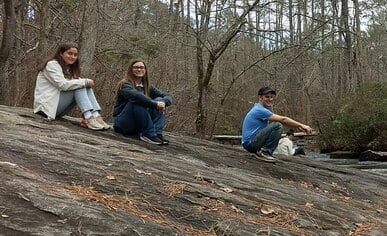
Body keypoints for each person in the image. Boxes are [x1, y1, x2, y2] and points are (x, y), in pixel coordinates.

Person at [33, 42, 110, 130]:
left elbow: (75, 83)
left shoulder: (68, 67)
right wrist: (85, 81)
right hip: (46, 108)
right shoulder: (51, 65)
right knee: (80, 85)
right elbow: (62, 85)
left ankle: (96, 116)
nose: (73, 57)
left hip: (56, 107)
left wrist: (85, 83)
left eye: (75, 55)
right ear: (61, 53)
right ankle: (88, 118)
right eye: (69, 53)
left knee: (83, 85)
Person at [241, 86, 312, 163]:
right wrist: (301, 125)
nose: (270, 99)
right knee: (277, 125)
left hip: (252, 143)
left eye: (271, 97)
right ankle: (266, 152)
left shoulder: (261, 109)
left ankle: (265, 152)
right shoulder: (259, 110)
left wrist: (298, 126)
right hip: (251, 143)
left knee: (276, 126)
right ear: (260, 98)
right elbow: (283, 119)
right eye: (267, 97)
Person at [113, 59, 172, 145]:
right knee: (138, 102)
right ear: (131, 70)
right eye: (136, 67)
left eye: (141, 67)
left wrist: (163, 103)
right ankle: (148, 134)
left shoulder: (147, 86)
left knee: (159, 99)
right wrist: (155, 105)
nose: (139, 70)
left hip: (138, 124)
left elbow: (167, 96)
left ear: (145, 70)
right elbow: (136, 97)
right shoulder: (125, 85)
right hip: (123, 124)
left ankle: (157, 133)